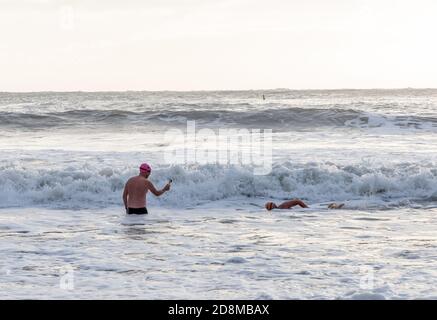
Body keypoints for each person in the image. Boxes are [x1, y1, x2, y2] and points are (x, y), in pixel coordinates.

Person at [265, 199, 344, 211]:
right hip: (304, 211)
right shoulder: (280, 209)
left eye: (271, 205)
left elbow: (297, 201)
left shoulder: (283, 206)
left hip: (307, 210)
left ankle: (337, 207)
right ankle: (335, 207)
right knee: (326, 209)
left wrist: (306, 208)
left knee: (326, 209)